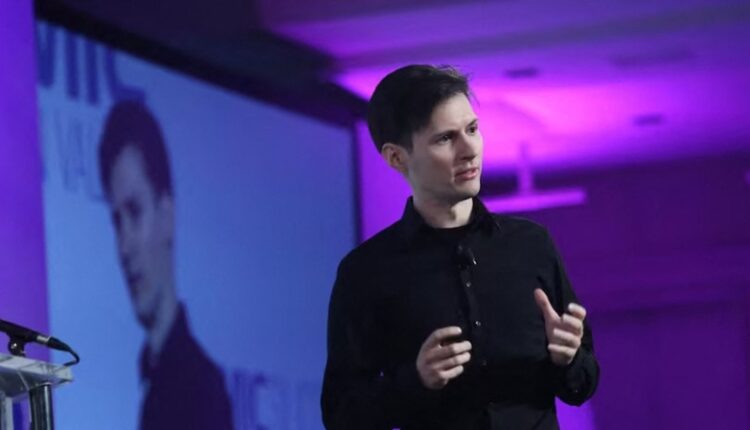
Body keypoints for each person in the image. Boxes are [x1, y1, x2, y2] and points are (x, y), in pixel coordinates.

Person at [321, 65, 599, 429]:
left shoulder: (531, 245)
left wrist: (569, 359)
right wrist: (416, 381)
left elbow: (583, 383)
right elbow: (341, 416)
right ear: (396, 157)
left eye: (472, 129)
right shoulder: (367, 272)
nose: (469, 150)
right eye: (445, 139)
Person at [98, 100, 234, 430]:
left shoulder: (201, 388)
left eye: (135, 213)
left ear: (167, 214)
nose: (124, 247)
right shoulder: (154, 382)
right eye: (117, 222)